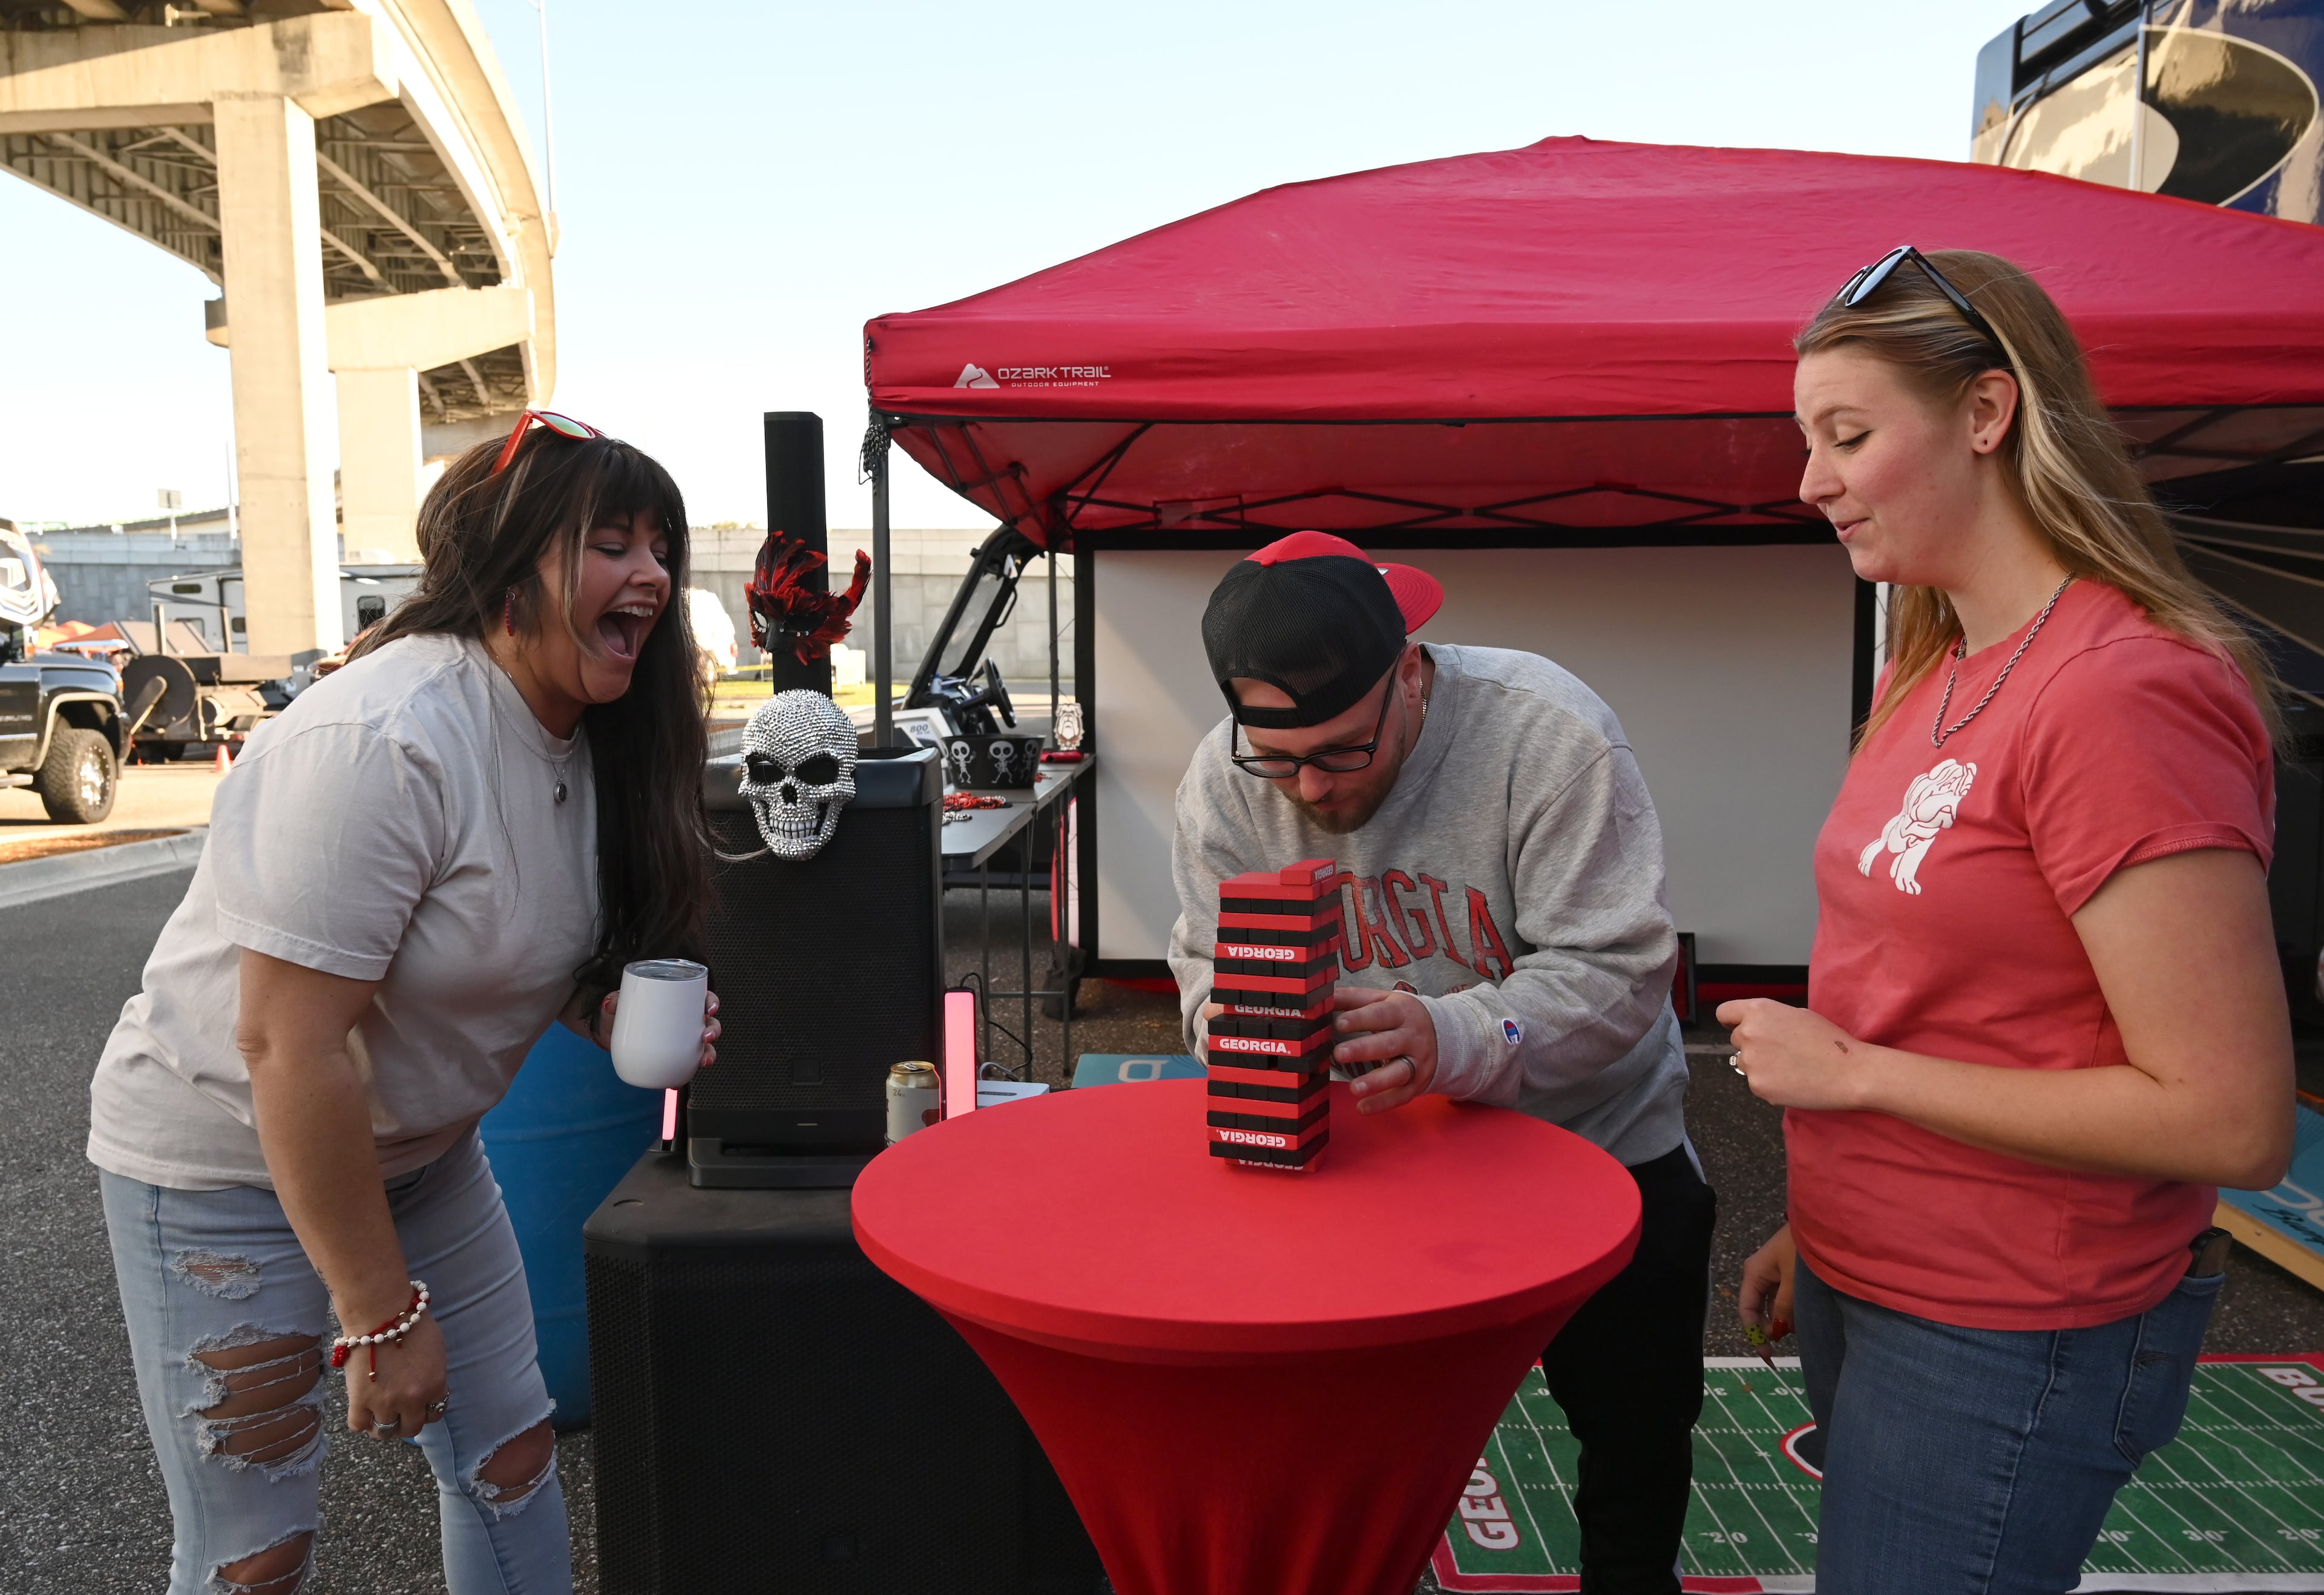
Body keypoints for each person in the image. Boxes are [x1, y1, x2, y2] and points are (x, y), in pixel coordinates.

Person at [1726, 247, 2293, 1593]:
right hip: (1878, 1276)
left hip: (2006, 1324)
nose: (1810, 480)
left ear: (1987, 415)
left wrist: (1855, 1079)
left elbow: (2229, 1118)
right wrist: (1831, 1213)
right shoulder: (1939, 663)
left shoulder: (2120, 693)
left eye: (1848, 434)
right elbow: (1938, 991)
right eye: (1809, 438)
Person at [88, 411, 722, 1595]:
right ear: (507, 567)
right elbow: (288, 1043)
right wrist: (378, 1314)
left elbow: (500, 937)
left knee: (512, 1458)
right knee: (254, 1553)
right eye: (610, 543)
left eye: (659, 546)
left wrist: (597, 1009)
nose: (652, 574)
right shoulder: (384, 737)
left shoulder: (585, 735)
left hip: (423, 1161)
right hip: (224, 1174)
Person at [1169, 530, 1711, 1595]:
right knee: (1358, 1444)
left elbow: (1622, 970)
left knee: (1633, 1433)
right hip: (1383, 1165)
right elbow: (1202, 974)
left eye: (1342, 752)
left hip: (1597, 1145)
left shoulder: (1547, 735)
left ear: (1409, 673)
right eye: (1275, 758)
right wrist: (1243, 1026)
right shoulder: (1221, 782)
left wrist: (1455, 1034)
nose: (1311, 792)